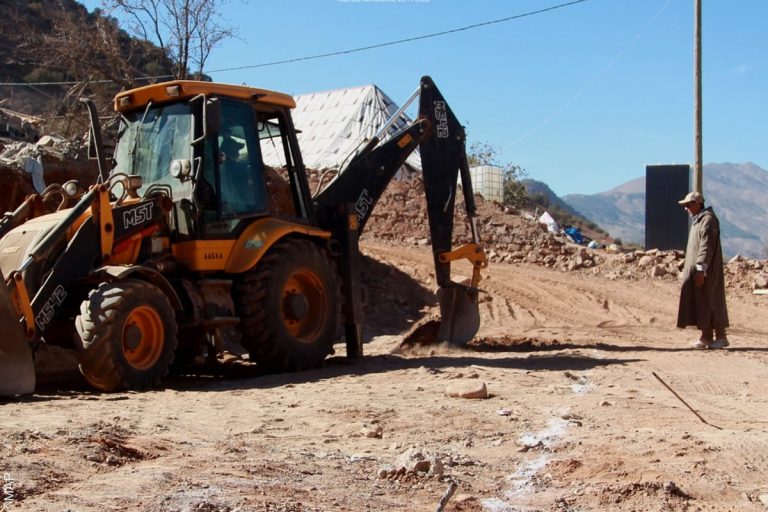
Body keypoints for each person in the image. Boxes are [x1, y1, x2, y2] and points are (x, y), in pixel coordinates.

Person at [676, 191, 730, 349]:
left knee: (711, 300)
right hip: (698, 270)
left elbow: (707, 246)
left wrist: (701, 269)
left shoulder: (708, 220)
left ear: (697, 204)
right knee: (701, 302)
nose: (686, 208)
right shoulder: (698, 221)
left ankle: (721, 336)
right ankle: (706, 336)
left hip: (707, 271)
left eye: (688, 205)